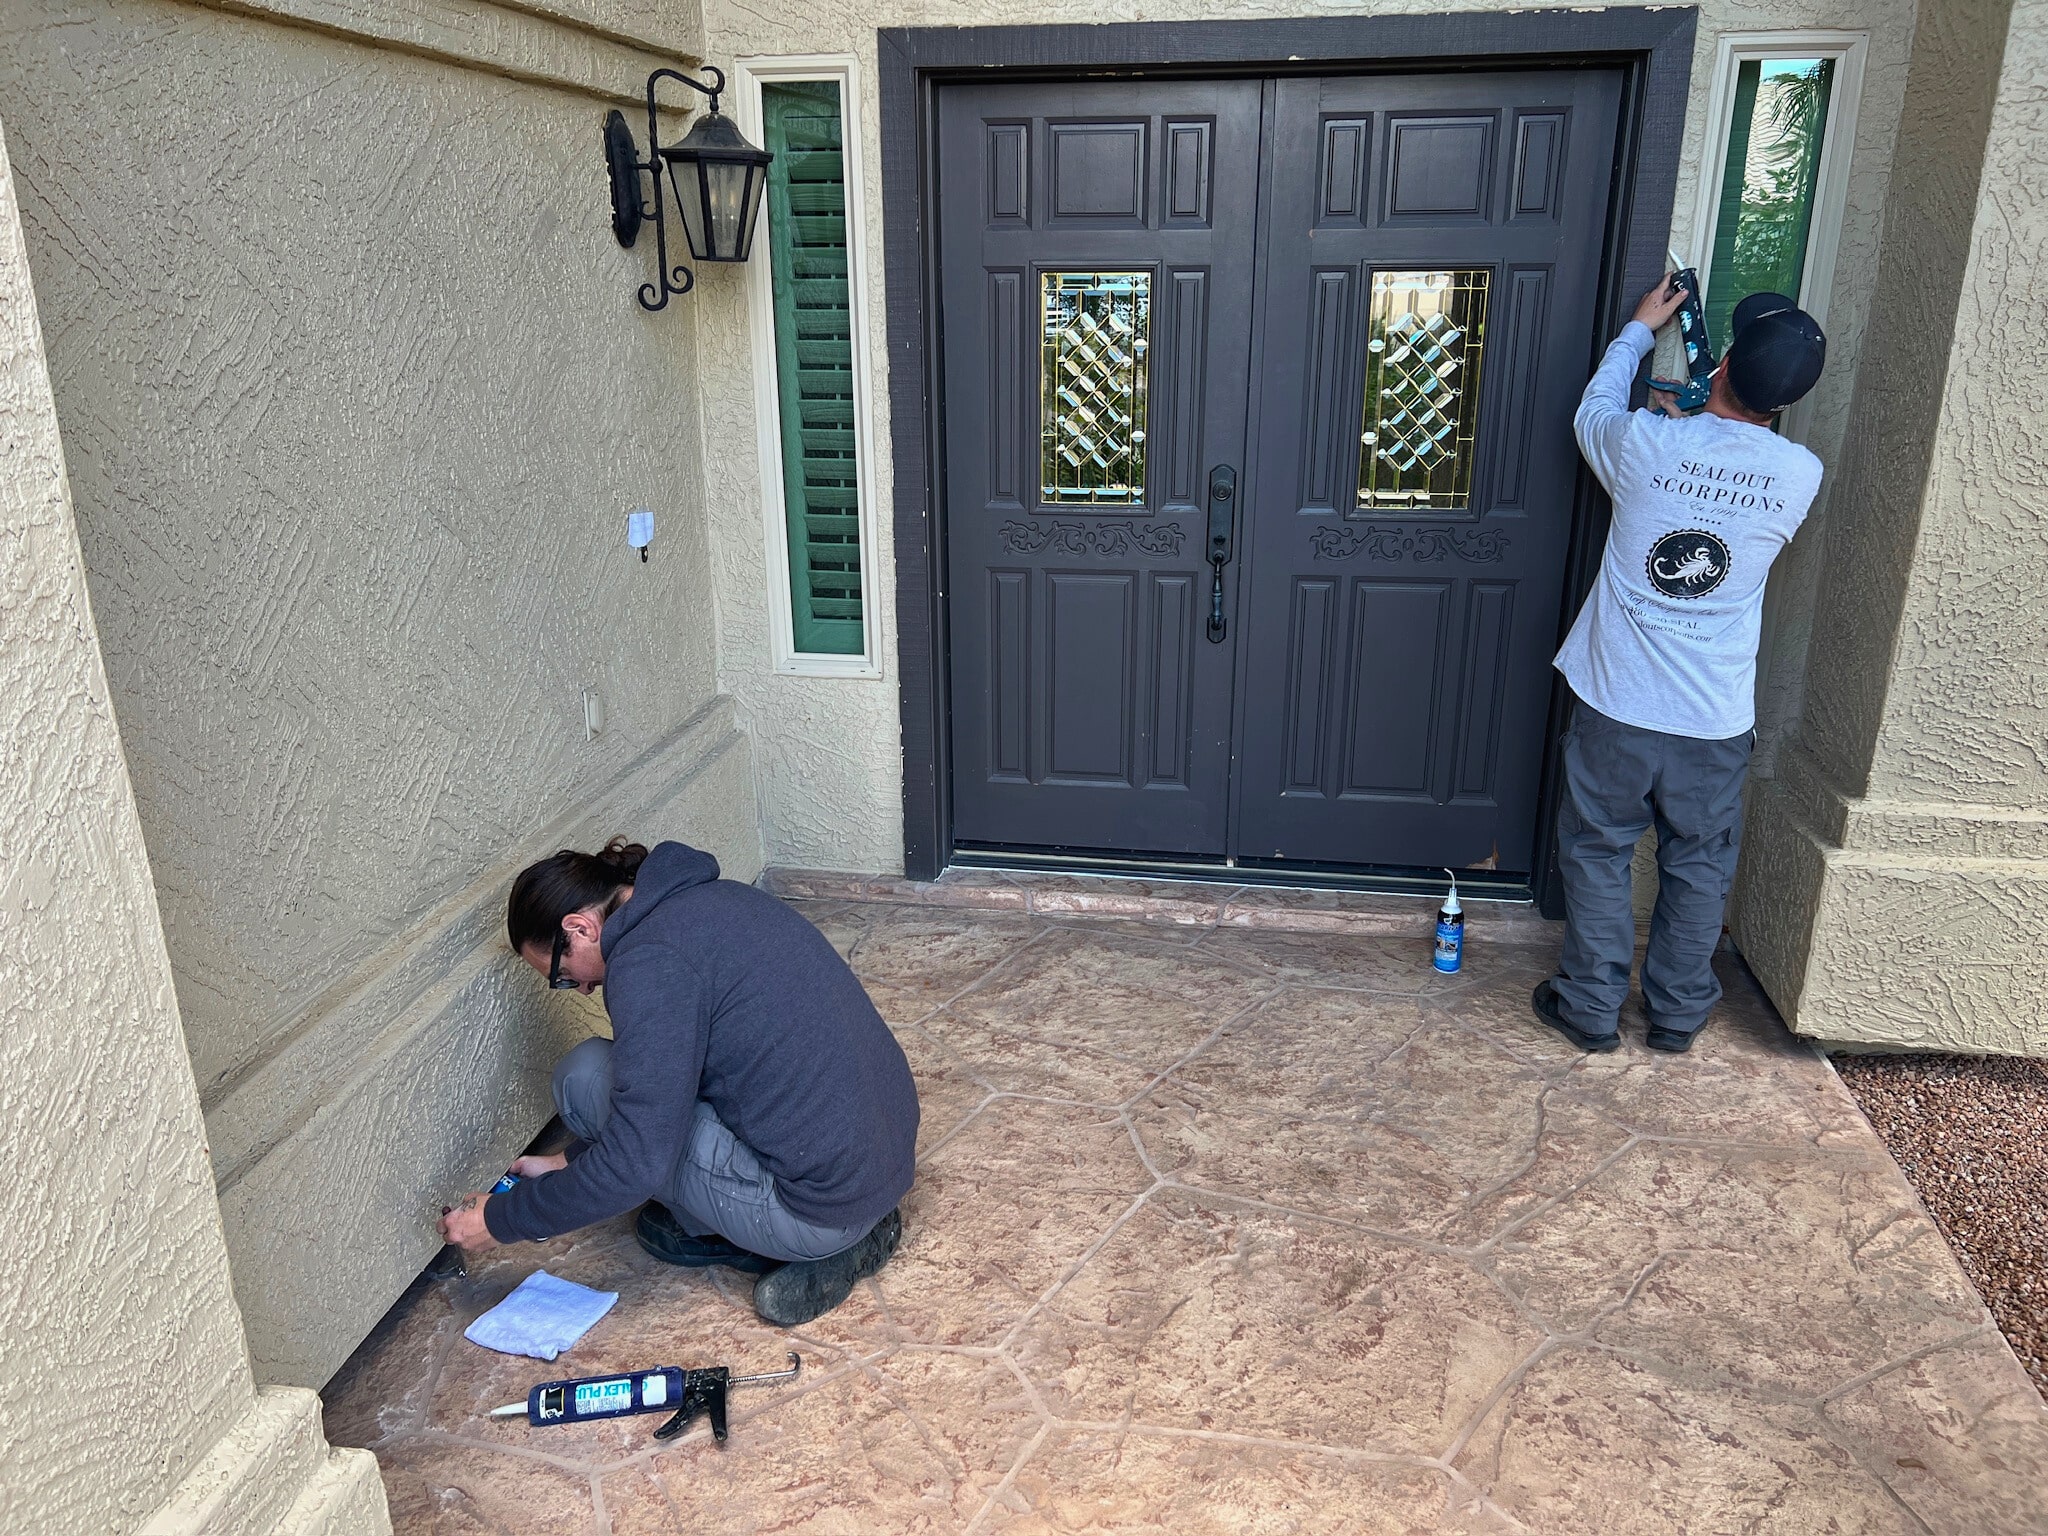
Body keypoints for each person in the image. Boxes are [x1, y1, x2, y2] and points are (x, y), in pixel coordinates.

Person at [438, 837, 919, 1326]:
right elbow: (673, 1080)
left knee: (583, 1077)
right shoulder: (713, 897)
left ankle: (817, 1250)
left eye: (562, 976)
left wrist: (499, 1221)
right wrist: (570, 1161)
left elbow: (635, 1166)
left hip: (823, 1212)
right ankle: (836, 1225)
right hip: (885, 1158)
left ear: (578, 928)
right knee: (625, 1099)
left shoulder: (649, 963)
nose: (581, 988)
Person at [1532, 277, 1827, 1054]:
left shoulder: (1647, 443)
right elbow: (1731, 475)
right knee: (1698, 864)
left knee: (1598, 850)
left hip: (1619, 703)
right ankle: (1677, 1014)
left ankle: (1591, 1009)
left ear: (1720, 364)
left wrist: (1636, 331)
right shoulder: (1799, 474)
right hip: (1713, 718)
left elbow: (1591, 412)